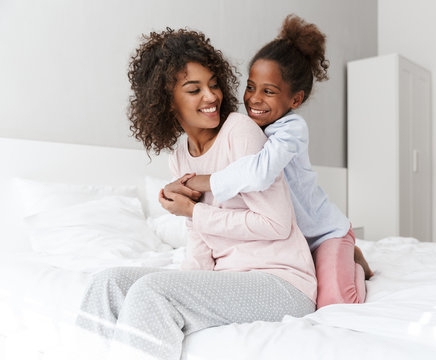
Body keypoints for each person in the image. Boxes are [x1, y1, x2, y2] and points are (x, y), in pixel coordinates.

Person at [75, 28, 316, 360]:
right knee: (108, 284)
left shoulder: (240, 132)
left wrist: (192, 212)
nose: (211, 96)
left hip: (282, 283)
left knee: (152, 292)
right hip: (227, 278)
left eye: (213, 84)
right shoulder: (180, 156)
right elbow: (200, 240)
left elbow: (276, 224)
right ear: (166, 101)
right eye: (194, 89)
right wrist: (189, 284)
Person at [175, 15, 373, 309]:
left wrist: (204, 181)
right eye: (251, 87)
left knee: (335, 303)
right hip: (293, 245)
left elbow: (260, 173)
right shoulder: (246, 130)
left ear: (295, 100)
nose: (254, 99)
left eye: (268, 91)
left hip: (322, 233)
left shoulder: (291, 130)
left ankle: (355, 261)